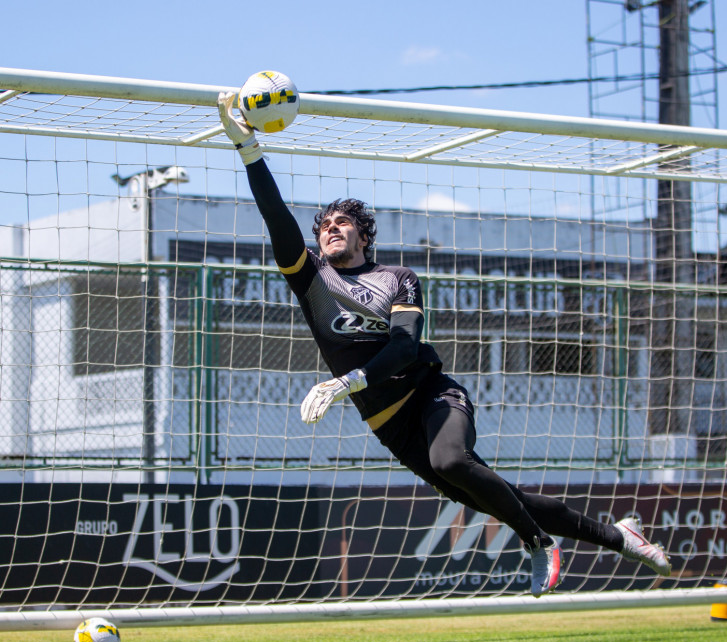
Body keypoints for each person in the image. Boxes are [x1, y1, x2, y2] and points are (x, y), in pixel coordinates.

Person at [216, 92, 672, 597]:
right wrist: (248, 149)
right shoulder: (310, 278)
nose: (329, 230)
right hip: (389, 425)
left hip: (431, 394)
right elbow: (275, 214)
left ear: (363, 236)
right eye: (324, 225)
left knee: (453, 462)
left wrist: (348, 381)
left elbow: (406, 347)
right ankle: (621, 537)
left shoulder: (396, 278)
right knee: (499, 497)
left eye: (341, 223)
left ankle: (538, 542)